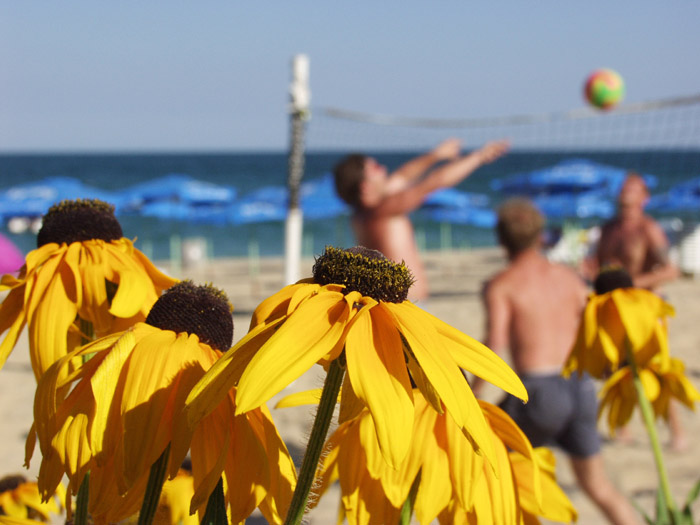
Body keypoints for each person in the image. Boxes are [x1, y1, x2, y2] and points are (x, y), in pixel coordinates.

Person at [475, 198, 640, 525]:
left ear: (501, 239)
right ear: (540, 236)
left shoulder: (502, 284)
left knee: (490, 473)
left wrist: (471, 396)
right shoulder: (569, 277)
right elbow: (593, 329)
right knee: (598, 485)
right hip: (579, 387)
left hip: (536, 393)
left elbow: (494, 344)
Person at [333, 138, 509, 302]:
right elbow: (435, 182)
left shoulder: (361, 214)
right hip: (404, 307)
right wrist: (479, 157)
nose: (385, 170)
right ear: (365, 186)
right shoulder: (382, 210)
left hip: (397, 304)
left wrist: (436, 155)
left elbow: (402, 177)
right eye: (377, 168)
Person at [587, 173, 687, 451]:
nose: (625, 193)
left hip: (643, 309)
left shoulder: (648, 229)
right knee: (614, 368)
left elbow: (671, 270)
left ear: (645, 198)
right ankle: (622, 427)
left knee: (654, 369)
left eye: (632, 189)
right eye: (623, 188)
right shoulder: (608, 229)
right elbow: (596, 264)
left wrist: (629, 285)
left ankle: (677, 432)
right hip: (612, 308)